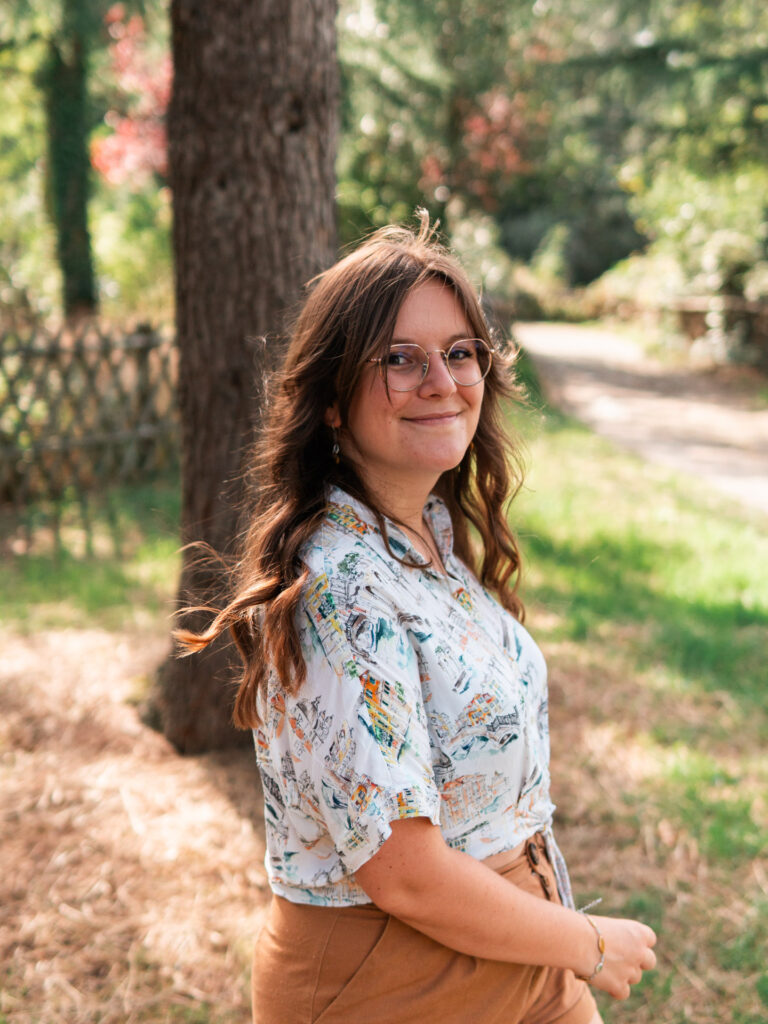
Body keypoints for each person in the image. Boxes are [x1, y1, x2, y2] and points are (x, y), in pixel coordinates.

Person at [177, 214, 657, 1024]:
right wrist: (588, 943)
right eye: (399, 359)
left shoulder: (425, 536)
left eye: (459, 352)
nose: (441, 380)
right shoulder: (339, 588)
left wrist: (556, 940)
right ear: (332, 401)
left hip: (515, 946)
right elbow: (402, 872)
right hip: (391, 982)